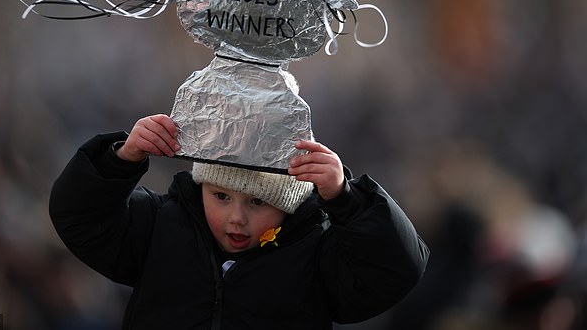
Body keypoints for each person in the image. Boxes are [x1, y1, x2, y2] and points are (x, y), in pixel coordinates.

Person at [49, 114, 429, 329]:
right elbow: (80, 217)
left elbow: (396, 269)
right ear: (200, 188)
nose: (236, 217)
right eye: (221, 196)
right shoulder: (161, 225)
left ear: (288, 204)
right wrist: (120, 158)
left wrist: (347, 199)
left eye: (258, 201)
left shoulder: (313, 250)